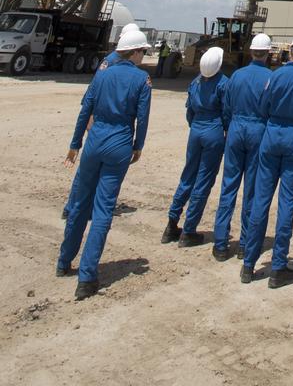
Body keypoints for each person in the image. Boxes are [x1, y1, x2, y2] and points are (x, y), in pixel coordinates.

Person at [57, 26, 152, 300]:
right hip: (120, 142)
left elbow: (85, 107)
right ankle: (87, 277)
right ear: (134, 52)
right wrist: (138, 146)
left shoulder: (103, 73)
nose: (143, 56)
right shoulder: (142, 79)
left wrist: (75, 144)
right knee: (103, 210)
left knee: (79, 204)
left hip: (95, 141)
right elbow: (142, 119)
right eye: (142, 52)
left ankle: (64, 262)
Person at [240, 35, 293, 287]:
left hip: (271, 136)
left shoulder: (273, 75)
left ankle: (248, 264)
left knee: (260, 199)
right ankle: (278, 267)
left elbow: (263, 106)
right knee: (287, 203)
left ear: (289, 54)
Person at [61, 23, 144, 221]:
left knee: (92, 166)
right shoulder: (114, 62)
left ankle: (76, 205)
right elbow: (95, 92)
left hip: (101, 118)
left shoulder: (111, 60)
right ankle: (79, 207)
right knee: (92, 169)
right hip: (105, 121)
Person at [211, 32, 272, 261]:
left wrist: (229, 128)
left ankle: (220, 243)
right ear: (267, 53)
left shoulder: (236, 76)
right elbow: (271, 107)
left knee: (228, 186)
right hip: (258, 130)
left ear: (250, 51)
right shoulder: (270, 78)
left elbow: (226, 107)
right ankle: (246, 243)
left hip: (236, 129)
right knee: (252, 189)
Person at [162, 46, 228, 247]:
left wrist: (196, 125)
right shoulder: (224, 84)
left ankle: (171, 224)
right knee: (204, 180)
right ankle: (189, 230)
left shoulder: (195, 82)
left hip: (196, 130)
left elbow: (189, 112)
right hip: (214, 131)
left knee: (187, 176)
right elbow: (227, 113)